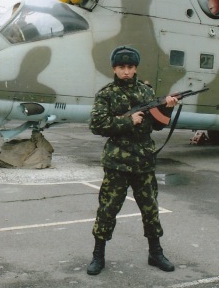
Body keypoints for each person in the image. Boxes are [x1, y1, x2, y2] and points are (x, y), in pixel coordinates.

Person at [87, 45, 179, 276]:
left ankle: (155, 253)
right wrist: (128, 122)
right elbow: (97, 125)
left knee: (150, 209)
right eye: (121, 67)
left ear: (136, 68)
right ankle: (98, 255)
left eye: (130, 67)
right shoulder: (106, 94)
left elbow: (157, 125)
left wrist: (167, 109)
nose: (126, 71)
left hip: (143, 161)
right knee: (108, 210)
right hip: (117, 162)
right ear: (114, 69)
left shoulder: (147, 93)